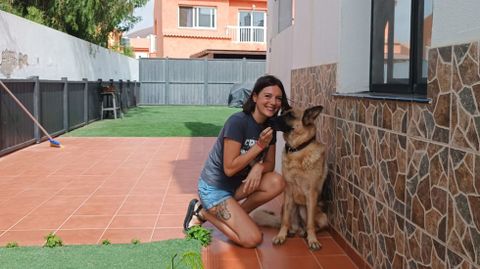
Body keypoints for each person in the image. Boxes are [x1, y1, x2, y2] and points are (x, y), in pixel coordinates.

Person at [183, 74, 291, 248]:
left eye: (278, 98)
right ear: (255, 97)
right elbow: (229, 169)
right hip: (214, 188)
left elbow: (270, 164)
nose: (273, 102)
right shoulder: (238, 122)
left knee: (277, 181)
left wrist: (258, 167)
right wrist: (258, 147)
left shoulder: (269, 127)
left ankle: (239, 217)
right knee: (252, 239)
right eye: (267, 96)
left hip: (236, 187)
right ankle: (202, 211)